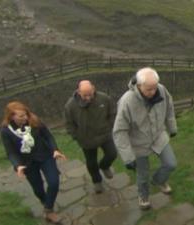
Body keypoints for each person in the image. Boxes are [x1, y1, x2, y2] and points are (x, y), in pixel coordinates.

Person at [113, 67, 178, 210]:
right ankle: (143, 196)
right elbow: (119, 131)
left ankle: (158, 181)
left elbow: (169, 108)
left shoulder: (161, 89)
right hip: (138, 144)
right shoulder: (126, 101)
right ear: (139, 85)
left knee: (171, 164)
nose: (153, 92)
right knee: (143, 175)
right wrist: (128, 157)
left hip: (158, 136)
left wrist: (172, 127)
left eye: (155, 87)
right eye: (149, 89)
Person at [0, 101, 66, 224]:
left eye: (26, 114)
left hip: (45, 155)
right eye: (21, 116)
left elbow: (48, 136)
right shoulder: (6, 131)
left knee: (54, 182)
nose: (25, 117)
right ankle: (46, 202)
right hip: (27, 162)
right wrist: (18, 165)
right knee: (38, 189)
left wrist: (55, 150)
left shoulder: (34, 121)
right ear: (11, 116)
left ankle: (48, 210)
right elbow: (11, 152)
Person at [64, 80, 117, 193]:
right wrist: (76, 136)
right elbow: (69, 123)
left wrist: (109, 126)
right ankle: (97, 181)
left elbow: (112, 112)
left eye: (90, 94)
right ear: (78, 92)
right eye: (85, 95)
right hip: (86, 138)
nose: (88, 97)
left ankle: (104, 165)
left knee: (112, 154)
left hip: (104, 134)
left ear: (93, 88)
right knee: (91, 162)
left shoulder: (104, 98)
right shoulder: (70, 105)